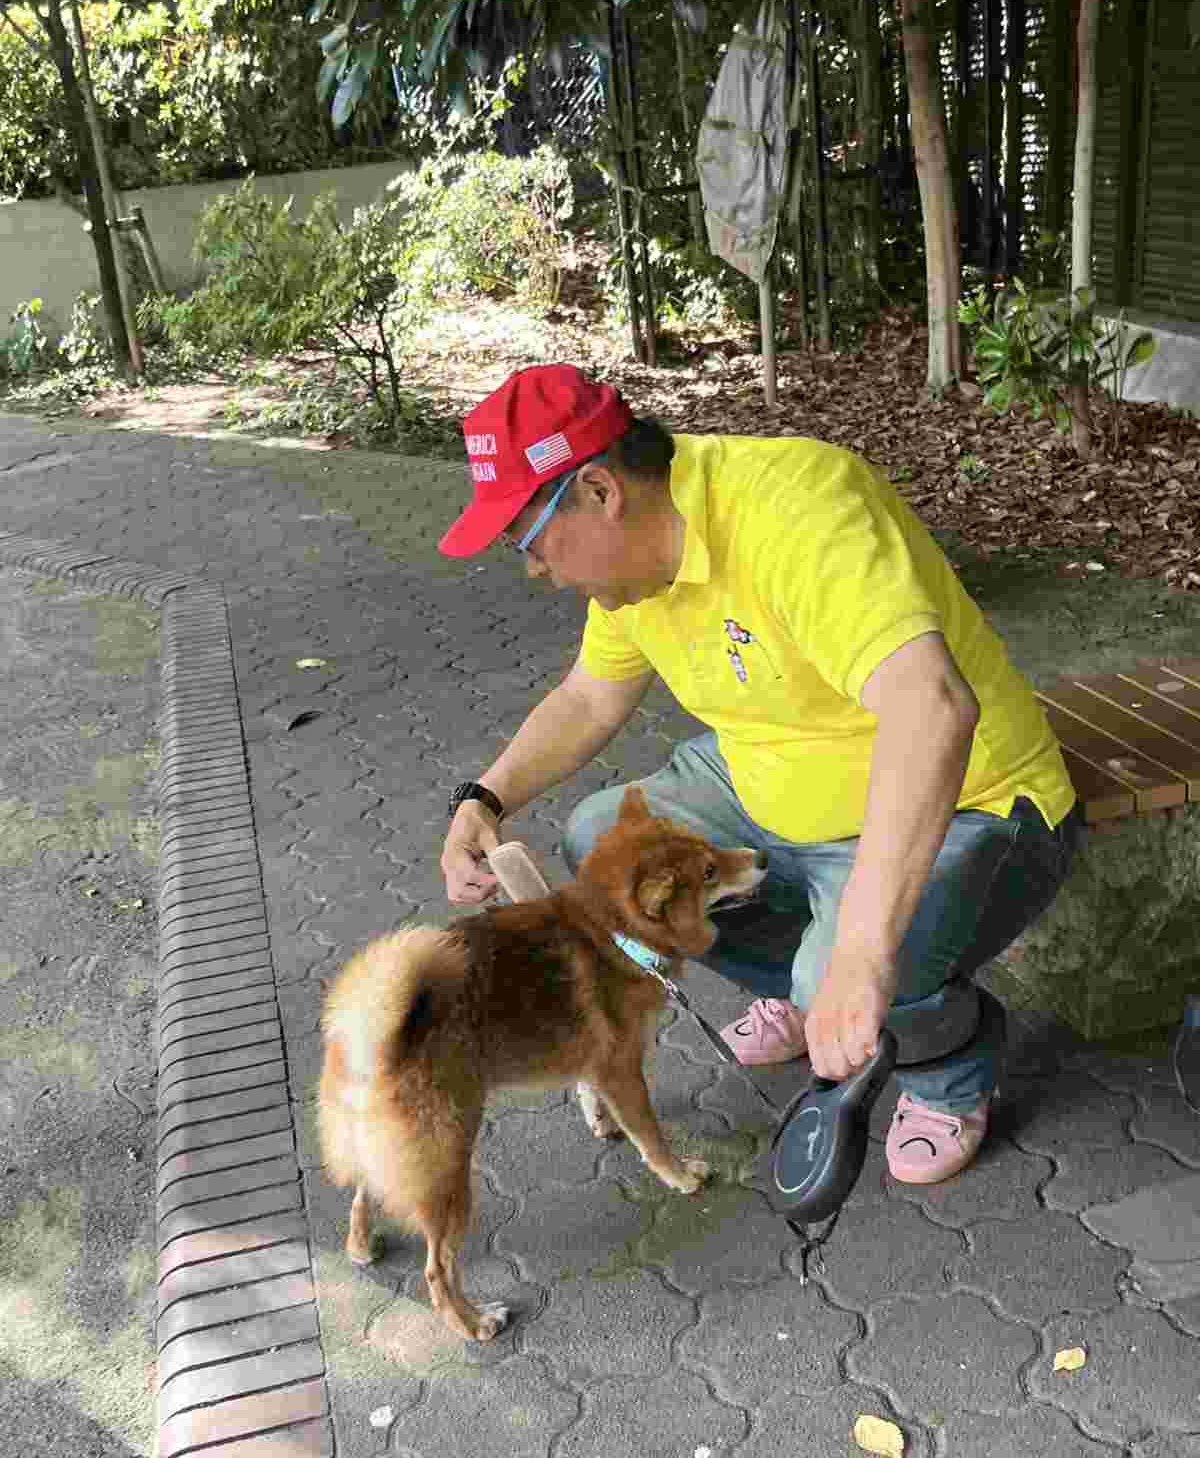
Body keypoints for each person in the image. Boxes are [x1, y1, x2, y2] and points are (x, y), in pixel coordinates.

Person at [438, 363, 1082, 1186]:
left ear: (599, 492)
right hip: (770, 787)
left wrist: (859, 951)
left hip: (973, 803)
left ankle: (947, 1064)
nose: (537, 572)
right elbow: (589, 697)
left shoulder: (795, 506)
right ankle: (810, 984)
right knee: (601, 843)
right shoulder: (635, 573)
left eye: (528, 544)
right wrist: (485, 797)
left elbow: (931, 709)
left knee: (845, 968)